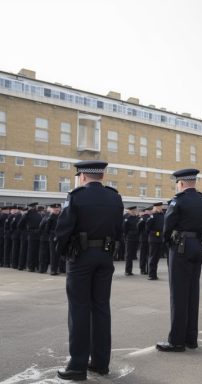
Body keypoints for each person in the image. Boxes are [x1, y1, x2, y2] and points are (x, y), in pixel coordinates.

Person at [55, 160, 123, 381]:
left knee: (79, 309)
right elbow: (119, 230)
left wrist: (63, 252)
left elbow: (63, 230)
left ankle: (77, 366)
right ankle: (101, 363)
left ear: (82, 176)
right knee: (101, 308)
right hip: (105, 255)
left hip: (81, 258)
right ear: (101, 176)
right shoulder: (115, 197)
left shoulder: (76, 197)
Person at [156, 168, 202, 352]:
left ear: (180, 183)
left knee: (179, 295)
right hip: (198, 246)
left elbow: (167, 226)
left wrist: (166, 243)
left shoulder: (178, 201)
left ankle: (177, 341)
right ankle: (191, 338)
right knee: (192, 293)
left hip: (181, 248)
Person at [146, 202, 165, 280]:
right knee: (153, 257)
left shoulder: (163, 216)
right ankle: (151, 274)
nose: (161, 208)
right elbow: (147, 228)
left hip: (160, 238)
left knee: (157, 257)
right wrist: (153, 233)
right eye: (159, 207)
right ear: (156, 208)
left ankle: (154, 274)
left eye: (161, 207)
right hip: (153, 238)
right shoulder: (152, 216)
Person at [123, 206, 139, 276]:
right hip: (129, 238)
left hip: (136, 238)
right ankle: (127, 271)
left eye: (135, 210)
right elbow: (124, 228)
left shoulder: (137, 218)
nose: (134, 211)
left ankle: (130, 270)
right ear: (129, 211)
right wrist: (126, 236)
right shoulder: (127, 218)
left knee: (132, 254)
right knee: (128, 255)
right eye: (133, 210)